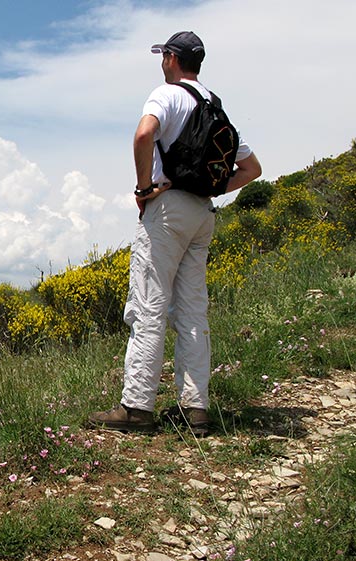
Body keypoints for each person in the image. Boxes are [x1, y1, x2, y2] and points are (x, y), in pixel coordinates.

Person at [89, 31, 262, 435]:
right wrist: (210, 188)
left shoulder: (167, 95)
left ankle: (136, 409)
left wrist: (144, 187)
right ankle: (195, 409)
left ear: (171, 58)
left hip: (167, 212)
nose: (161, 63)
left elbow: (144, 134)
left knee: (148, 305)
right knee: (191, 309)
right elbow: (252, 169)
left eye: (163, 55)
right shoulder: (215, 106)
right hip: (202, 213)